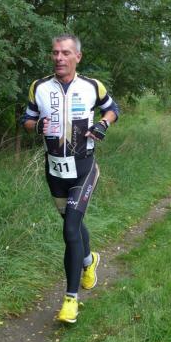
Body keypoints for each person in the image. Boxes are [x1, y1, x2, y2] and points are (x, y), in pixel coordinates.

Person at [22, 34, 120, 324]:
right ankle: (90, 261)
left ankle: (70, 300)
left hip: (84, 168)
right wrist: (36, 125)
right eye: (55, 53)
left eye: (65, 53)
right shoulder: (39, 87)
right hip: (55, 171)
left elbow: (113, 109)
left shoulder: (92, 86)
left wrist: (103, 124)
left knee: (69, 230)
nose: (59, 58)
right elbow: (26, 120)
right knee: (72, 223)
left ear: (78, 56)